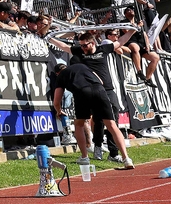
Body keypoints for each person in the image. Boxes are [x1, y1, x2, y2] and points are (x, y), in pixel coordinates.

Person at [48, 29, 135, 162]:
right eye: (80, 45)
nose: (82, 48)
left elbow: (120, 42)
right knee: (99, 120)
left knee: (112, 120)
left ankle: (114, 153)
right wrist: (49, 38)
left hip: (105, 89)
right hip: (94, 88)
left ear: (93, 43)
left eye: (85, 45)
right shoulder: (79, 55)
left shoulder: (102, 49)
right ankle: (99, 147)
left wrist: (132, 31)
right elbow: (64, 46)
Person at [52, 61, 134, 169]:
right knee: (112, 125)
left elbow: (56, 101)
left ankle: (84, 157)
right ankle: (126, 158)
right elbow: (100, 81)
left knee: (79, 124)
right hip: (99, 90)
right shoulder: (82, 65)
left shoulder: (61, 76)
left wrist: (59, 111)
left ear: (57, 73)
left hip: (81, 92)